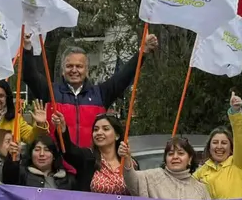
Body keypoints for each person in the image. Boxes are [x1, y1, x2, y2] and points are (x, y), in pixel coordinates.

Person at [22, 34, 158, 149]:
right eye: (69, 66)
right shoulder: (50, 92)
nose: (74, 70)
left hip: (92, 166)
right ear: (63, 70)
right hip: (59, 169)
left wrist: (143, 51)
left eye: (79, 66)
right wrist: (27, 48)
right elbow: (29, 76)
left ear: (86, 70)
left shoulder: (100, 93)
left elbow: (124, 76)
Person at [54, 111, 130, 194]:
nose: (99, 133)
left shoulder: (129, 162)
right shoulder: (87, 158)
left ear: (117, 135)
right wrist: (62, 129)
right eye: (96, 129)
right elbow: (69, 151)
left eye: (105, 129)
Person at [194, 93, 242, 199]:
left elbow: (240, 138)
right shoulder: (202, 171)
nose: (219, 146)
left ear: (231, 147)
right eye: (215, 142)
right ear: (209, 147)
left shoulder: (238, 164)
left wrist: (235, 112)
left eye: (224, 143)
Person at [122, 137, 211, 200]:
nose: (175, 157)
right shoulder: (152, 177)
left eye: (180, 153)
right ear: (165, 159)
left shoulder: (200, 189)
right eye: (171, 154)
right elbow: (132, 180)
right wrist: (127, 158)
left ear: (190, 159)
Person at [2, 133, 76, 189]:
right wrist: (13, 157)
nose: (41, 154)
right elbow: (8, 180)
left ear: (54, 156)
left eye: (47, 150)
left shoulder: (67, 180)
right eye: (37, 150)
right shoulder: (22, 175)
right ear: (31, 154)